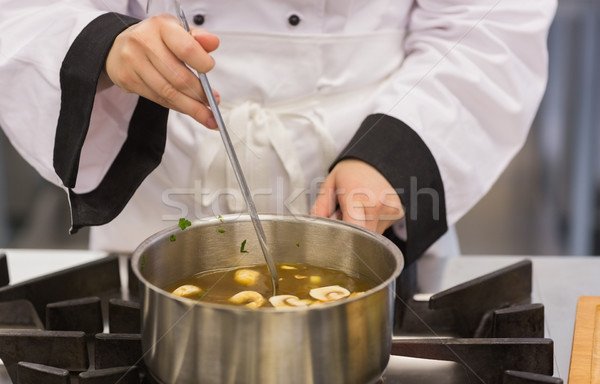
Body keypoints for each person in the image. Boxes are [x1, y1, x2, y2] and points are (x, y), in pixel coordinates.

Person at [0, 1, 556, 264]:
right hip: (158, 210)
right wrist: (104, 46)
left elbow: (490, 22)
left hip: (372, 186)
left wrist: (394, 153)